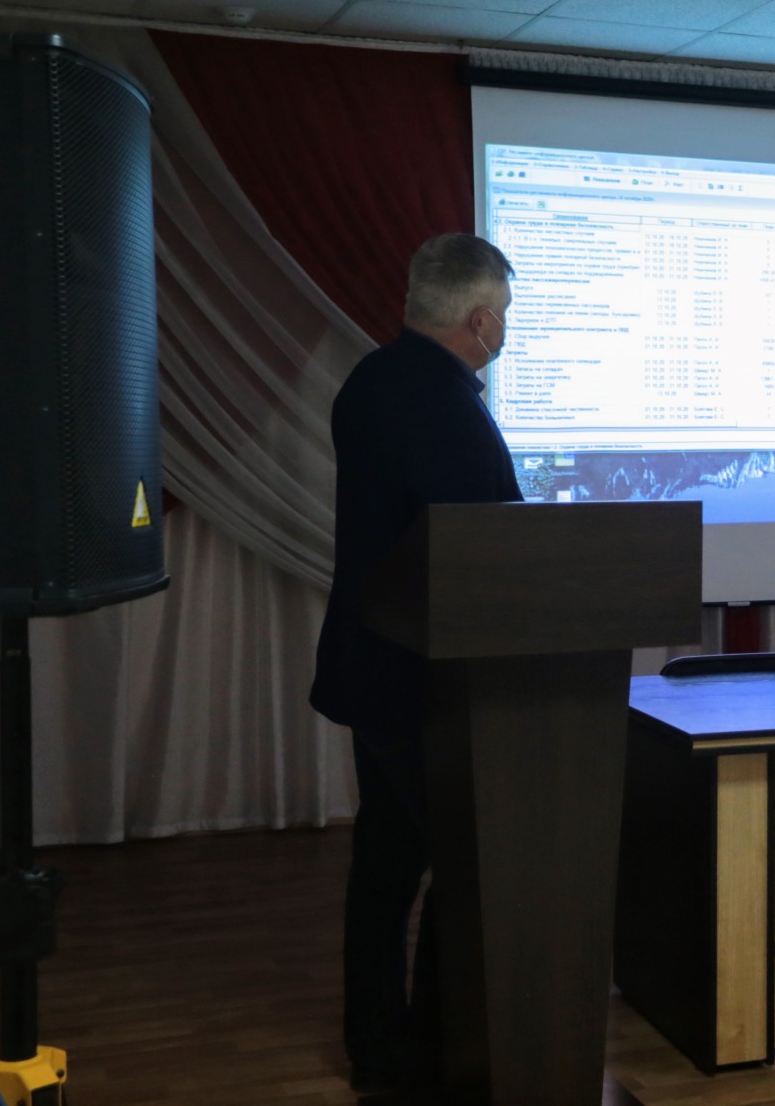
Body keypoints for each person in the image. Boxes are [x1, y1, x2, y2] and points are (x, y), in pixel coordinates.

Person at [310, 232, 520, 1100]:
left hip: (376, 666)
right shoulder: (444, 405)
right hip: (428, 681)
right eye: (504, 316)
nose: (504, 330)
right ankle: (440, 1045)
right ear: (479, 320)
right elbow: (492, 546)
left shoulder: (371, 380)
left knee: (388, 866)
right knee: (465, 862)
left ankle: (380, 1048)